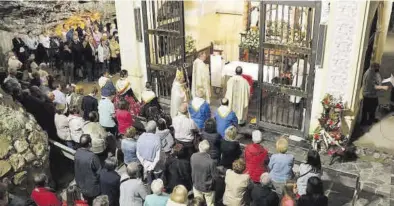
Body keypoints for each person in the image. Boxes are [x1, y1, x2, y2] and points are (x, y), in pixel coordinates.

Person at [74, 134, 102, 205]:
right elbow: (99, 172)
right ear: (89, 143)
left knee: (87, 202)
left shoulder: (77, 153)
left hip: (81, 185)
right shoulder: (92, 156)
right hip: (93, 188)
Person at [190, 140, 217, 206]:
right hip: (207, 187)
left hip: (196, 184)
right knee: (210, 203)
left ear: (199, 147)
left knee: (197, 203)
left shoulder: (193, 156)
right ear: (208, 149)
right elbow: (215, 176)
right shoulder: (211, 162)